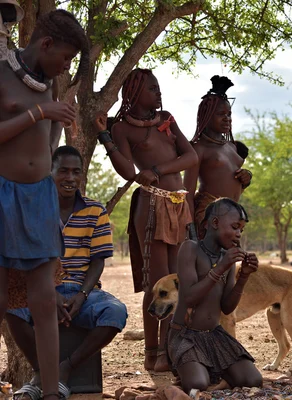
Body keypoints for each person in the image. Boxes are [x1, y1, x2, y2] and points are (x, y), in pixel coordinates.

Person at [0, 10, 88, 400]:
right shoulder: (2, 72)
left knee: (45, 300)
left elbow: (46, 143)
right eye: (66, 57)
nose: (66, 66)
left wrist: (57, 118)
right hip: (2, 193)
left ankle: (51, 393)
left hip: (38, 197)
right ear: (46, 44)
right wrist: (40, 111)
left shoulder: (49, 84)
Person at [95, 68, 198, 371]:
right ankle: (154, 355)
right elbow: (129, 172)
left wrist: (157, 170)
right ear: (134, 92)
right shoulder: (123, 129)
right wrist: (105, 136)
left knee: (175, 282)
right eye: (152, 88)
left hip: (178, 205)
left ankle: (169, 350)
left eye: (158, 87)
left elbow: (191, 157)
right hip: (151, 206)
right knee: (158, 284)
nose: (158, 93)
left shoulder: (166, 118)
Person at [7, 146, 128, 399]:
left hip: (83, 291)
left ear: (82, 176)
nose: (70, 178)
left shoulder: (96, 211)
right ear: (49, 172)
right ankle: (41, 372)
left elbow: (98, 261)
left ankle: (66, 368)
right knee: (12, 309)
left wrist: (82, 296)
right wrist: (50, 294)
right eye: (63, 171)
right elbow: (25, 261)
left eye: (76, 172)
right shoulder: (34, 210)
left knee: (115, 312)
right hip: (41, 288)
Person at [168, 198, 262, 393]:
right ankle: (192, 367)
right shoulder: (190, 249)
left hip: (214, 335)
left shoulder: (225, 259)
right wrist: (221, 268)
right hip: (186, 336)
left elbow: (227, 307)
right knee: (198, 385)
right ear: (215, 223)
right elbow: (189, 299)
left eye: (241, 230)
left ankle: (209, 368)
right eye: (235, 227)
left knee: (252, 380)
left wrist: (243, 276)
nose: (238, 234)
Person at [184, 76, 252, 239]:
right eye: (221, 114)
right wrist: (190, 227)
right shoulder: (198, 147)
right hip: (210, 214)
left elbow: (232, 181)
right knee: (212, 262)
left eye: (229, 114)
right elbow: (188, 191)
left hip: (233, 212)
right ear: (207, 116)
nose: (227, 118)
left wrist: (247, 178)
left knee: (229, 261)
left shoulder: (231, 146)